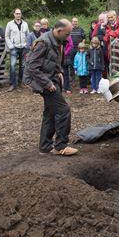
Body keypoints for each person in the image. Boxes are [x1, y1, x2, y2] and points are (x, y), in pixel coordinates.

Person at [24, 19, 78, 156]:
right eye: (67, 34)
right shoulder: (43, 43)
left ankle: (45, 146)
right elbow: (32, 67)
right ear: (59, 31)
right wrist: (47, 83)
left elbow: (55, 59)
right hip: (42, 81)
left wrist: (59, 71)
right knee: (63, 110)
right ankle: (61, 146)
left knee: (50, 112)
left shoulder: (58, 40)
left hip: (51, 77)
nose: (69, 37)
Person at [5, 8, 29, 92]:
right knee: (12, 65)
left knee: (23, 66)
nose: (18, 15)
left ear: (21, 14)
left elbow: (27, 35)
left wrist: (26, 45)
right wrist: (11, 46)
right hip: (14, 47)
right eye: (17, 13)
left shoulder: (25, 24)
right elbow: (6, 36)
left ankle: (21, 82)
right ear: (14, 14)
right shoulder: (9, 24)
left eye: (19, 13)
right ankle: (12, 84)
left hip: (23, 48)